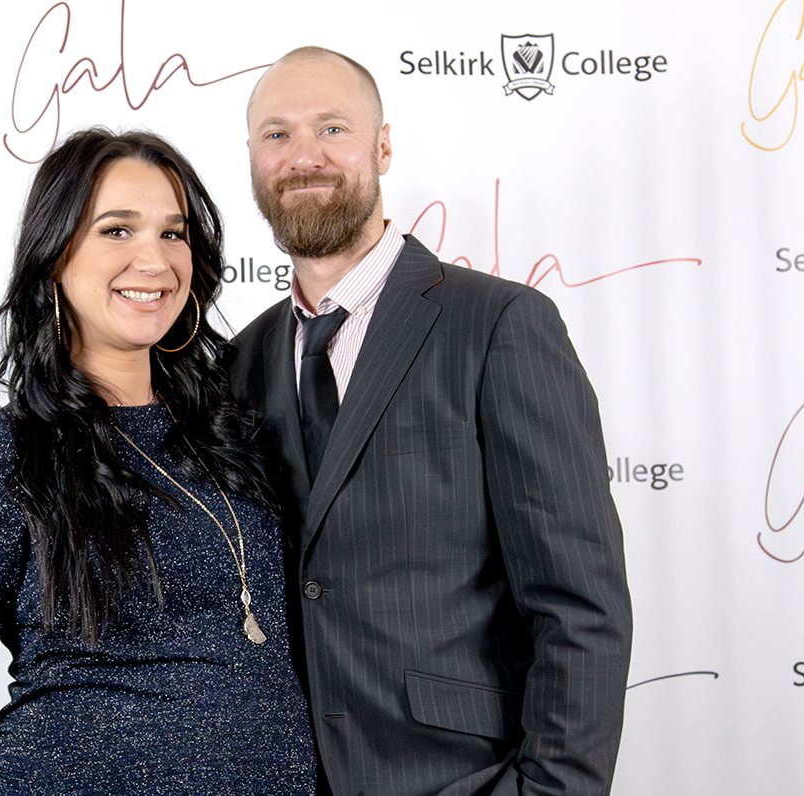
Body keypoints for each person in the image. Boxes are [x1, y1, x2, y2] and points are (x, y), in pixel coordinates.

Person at [230, 47, 633, 796]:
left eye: (332, 129)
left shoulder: (500, 325)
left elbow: (579, 606)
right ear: (252, 157)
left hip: (461, 777)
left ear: (383, 146)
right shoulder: (238, 364)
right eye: (277, 134)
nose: (304, 156)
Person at [0, 128, 316, 796]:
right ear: (54, 256)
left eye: (173, 234)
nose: (154, 259)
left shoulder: (236, 436)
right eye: (117, 231)